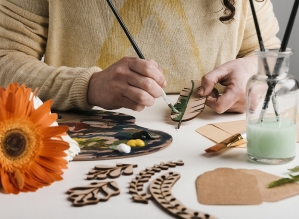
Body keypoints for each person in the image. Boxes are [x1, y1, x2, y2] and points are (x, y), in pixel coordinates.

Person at [0, 0, 280, 113]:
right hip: (90, 154)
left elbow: (269, 55)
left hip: (215, 155)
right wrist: (89, 86)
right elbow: (5, 59)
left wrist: (256, 73)